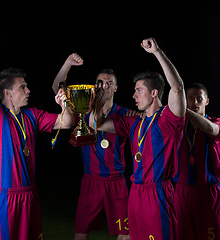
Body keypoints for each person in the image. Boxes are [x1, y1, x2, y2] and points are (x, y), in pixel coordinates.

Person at [0, 34, 75, 240]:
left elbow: (68, 122)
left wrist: (64, 105)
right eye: (22, 87)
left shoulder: (33, 115)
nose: (28, 90)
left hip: (31, 194)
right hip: (6, 197)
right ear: (8, 93)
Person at [90, 38, 186, 240]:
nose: (134, 95)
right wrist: (100, 97)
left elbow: (177, 88)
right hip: (136, 193)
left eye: (138, 91)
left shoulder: (168, 119)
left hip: (158, 193)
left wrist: (157, 52)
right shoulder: (134, 122)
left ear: (154, 93)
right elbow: (95, 123)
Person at [52, 53, 130, 240]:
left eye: (109, 83)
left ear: (116, 88)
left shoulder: (126, 114)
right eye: (101, 83)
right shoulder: (84, 108)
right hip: (91, 181)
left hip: (117, 182)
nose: (105, 86)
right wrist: (67, 63)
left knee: (125, 233)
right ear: (95, 87)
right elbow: (58, 88)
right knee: (81, 233)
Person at [173, 83, 220, 240]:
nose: (194, 103)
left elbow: (212, 129)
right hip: (182, 192)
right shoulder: (178, 127)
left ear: (206, 101)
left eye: (199, 98)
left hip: (209, 191)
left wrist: (182, 108)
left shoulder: (215, 121)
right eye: (190, 98)